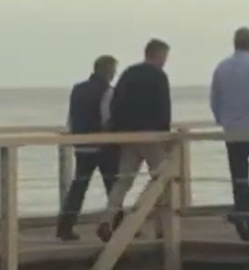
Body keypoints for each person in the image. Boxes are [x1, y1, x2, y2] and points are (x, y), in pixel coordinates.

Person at [98, 39, 174, 241]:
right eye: (164, 56)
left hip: (129, 135)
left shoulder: (129, 73)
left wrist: (118, 131)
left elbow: (116, 103)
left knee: (123, 181)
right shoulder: (158, 76)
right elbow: (163, 107)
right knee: (162, 179)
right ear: (158, 55)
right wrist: (164, 134)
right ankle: (161, 226)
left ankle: (107, 219)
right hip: (150, 135)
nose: (165, 61)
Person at [210, 26, 249, 242]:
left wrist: (222, 120)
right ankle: (242, 213)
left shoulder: (222, 67)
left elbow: (214, 98)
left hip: (232, 130)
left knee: (239, 177)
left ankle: (243, 221)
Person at [56, 54, 120, 241]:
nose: (114, 74)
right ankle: (118, 224)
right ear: (107, 71)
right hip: (102, 147)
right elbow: (107, 118)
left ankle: (65, 226)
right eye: (113, 70)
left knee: (79, 186)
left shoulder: (78, 89)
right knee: (114, 186)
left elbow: (72, 117)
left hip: (82, 144)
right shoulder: (107, 91)